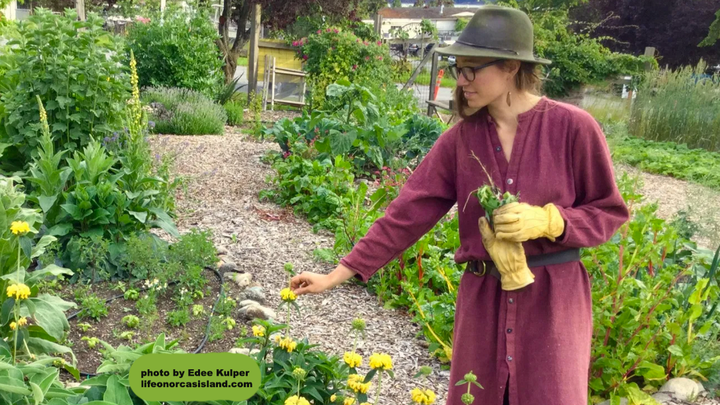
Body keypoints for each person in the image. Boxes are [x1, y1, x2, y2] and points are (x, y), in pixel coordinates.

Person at [290, 5, 629, 405]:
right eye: (458, 69)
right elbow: (407, 213)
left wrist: (550, 221)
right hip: (482, 303)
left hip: (552, 305)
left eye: (471, 70)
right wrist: (336, 274)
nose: (461, 80)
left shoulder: (573, 128)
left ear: (510, 67)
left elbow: (608, 211)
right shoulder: (460, 141)